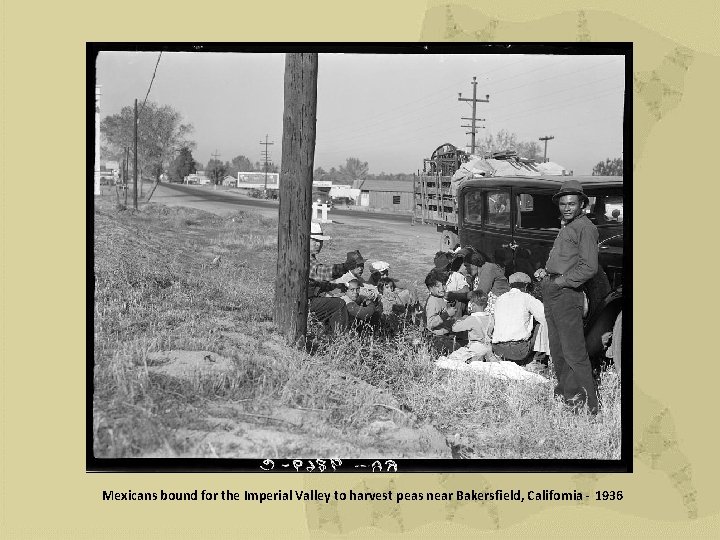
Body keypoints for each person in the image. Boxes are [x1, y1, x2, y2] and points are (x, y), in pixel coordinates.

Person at [537, 179, 600, 414]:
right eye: (563, 203)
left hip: (567, 294)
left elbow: (588, 267)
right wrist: (548, 273)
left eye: (572, 203)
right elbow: (566, 260)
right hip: (553, 290)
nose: (566, 207)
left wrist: (561, 281)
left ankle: (589, 405)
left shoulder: (585, 228)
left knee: (574, 351)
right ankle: (567, 394)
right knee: (558, 349)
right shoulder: (568, 226)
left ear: (582, 204)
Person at [491, 272, 550, 365]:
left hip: (498, 350)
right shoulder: (527, 298)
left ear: (510, 285)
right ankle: (537, 361)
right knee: (543, 324)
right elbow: (545, 317)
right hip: (518, 350)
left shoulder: (500, 299)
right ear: (526, 286)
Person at [307, 222, 349, 334]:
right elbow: (321, 272)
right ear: (305, 239)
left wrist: (333, 287)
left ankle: (329, 336)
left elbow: (315, 281)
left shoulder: (308, 256)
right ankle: (340, 339)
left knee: (331, 304)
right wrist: (344, 267)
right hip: (304, 303)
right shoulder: (304, 257)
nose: (318, 244)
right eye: (315, 240)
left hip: (305, 301)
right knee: (338, 304)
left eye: (320, 241)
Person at [443, 291, 497, 363]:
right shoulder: (491, 318)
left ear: (473, 305)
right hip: (488, 347)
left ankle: (473, 360)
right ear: (486, 305)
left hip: (476, 348)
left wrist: (460, 319)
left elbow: (455, 328)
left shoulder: (471, 319)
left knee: (451, 359)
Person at [424, 269, 461, 352]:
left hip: (443, 334)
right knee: (457, 349)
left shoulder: (439, 298)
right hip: (437, 337)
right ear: (430, 289)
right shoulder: (433, 302)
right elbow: (431, 323)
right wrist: (446, 314)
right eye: (438, 286)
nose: (442, 288)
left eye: (443, 285)